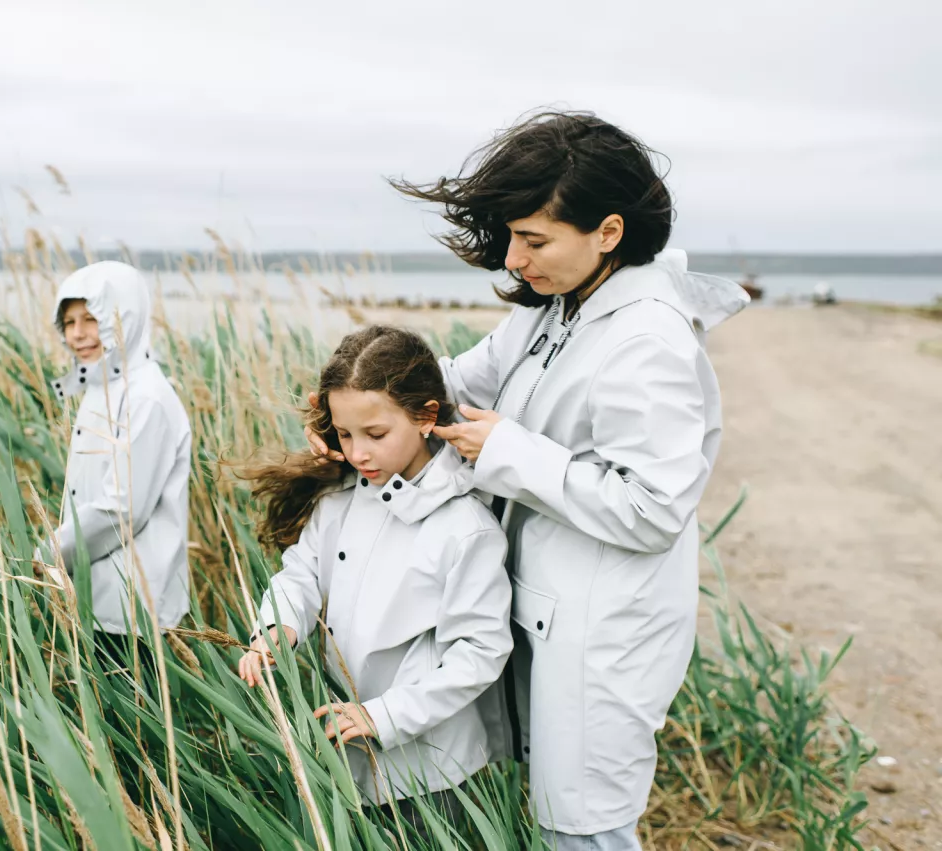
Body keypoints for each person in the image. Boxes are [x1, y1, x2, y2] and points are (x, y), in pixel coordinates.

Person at [308, 111, 748, 846]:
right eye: (513, 235)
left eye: (534, 239)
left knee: (585, 829)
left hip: (605, 634)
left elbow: (654, 508)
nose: (513, 259)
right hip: (546, 612)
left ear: (608, 231)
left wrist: (511, 450)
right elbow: (455, 379)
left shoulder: (649, 341)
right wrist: (364, 417)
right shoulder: (556, 309)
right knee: (556, 821)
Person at [238, 326, 512, 811]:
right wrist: (277, 626)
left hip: (428, 772)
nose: (358, 452)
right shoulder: (341, 499)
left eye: (376, 434)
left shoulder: (466, 527)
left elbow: (480, 653)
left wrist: (382, 716)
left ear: (427, 417)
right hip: (342, 750)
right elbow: (300, 572)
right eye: (344, 434)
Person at [37, 261, 192, 653]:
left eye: (92, 317)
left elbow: (121, 509)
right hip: (99, 597)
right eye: (69, 321)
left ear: (126, 316)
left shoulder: (146, 398)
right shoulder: (102, 385)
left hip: (133, 609)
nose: (78, 333)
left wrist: (49, 556)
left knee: (140, 712)